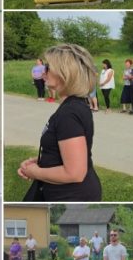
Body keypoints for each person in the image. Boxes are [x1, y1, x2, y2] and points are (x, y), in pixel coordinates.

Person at [17, 43, 101, 201]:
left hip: (71, 195)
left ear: (65, 73)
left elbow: (75, 172)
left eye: (48, 67)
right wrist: (43, 161)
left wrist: (35, 172)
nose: (44, 72)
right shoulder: (74, 106)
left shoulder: (70, 112)